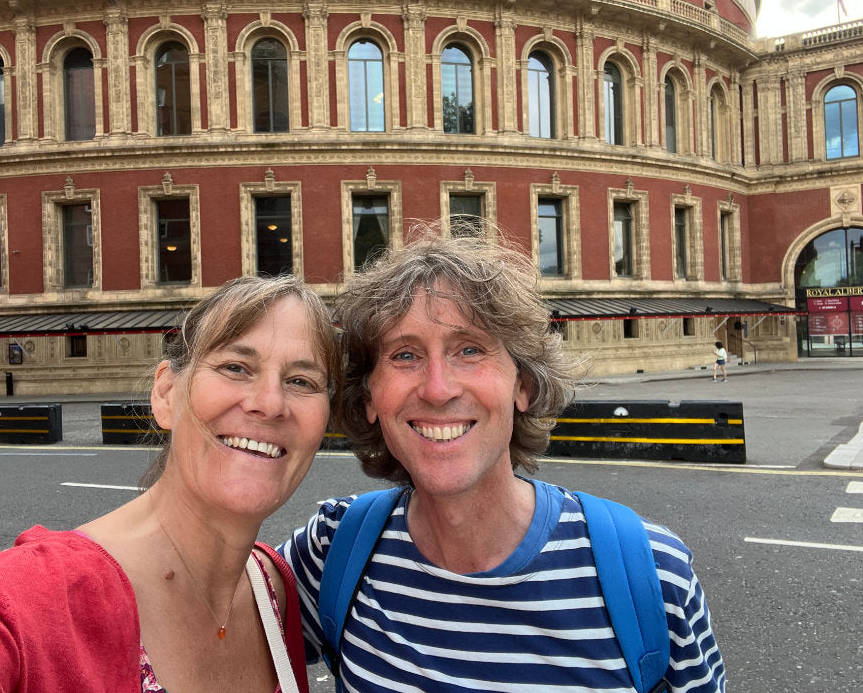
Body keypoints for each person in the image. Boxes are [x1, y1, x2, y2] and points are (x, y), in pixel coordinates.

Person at [281, 226, 726, 692]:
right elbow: (217, 633)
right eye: (405, 354)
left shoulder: (653, 576)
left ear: (523, 385)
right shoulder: (333, 551)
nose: (438, 388)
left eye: (470, 349)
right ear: (369, 395)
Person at [0, 275, 339, 693]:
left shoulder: (274, 588)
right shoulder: (18, 602)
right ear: (166, 394)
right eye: (236, 367)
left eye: (301, 380)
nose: (270, 403)